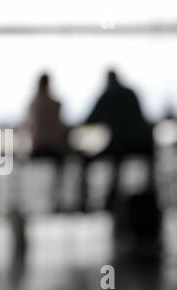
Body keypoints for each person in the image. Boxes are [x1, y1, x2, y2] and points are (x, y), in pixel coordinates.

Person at [80, 70, 154, 212]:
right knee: (118, 162)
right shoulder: (131, 93)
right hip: (142, 143)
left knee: (90, 160)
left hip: (120, 146)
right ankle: (149, 194)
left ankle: (89, 201)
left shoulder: (106, 96)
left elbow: (89, 119)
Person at [27, 73, 68, 211]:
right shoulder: (55, 104)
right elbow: (61, 129)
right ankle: (57, 197)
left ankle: (47, 197)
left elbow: (30, 128)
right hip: (53, 150)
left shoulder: (33, 104)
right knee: (64, 161)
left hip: (37, 148)